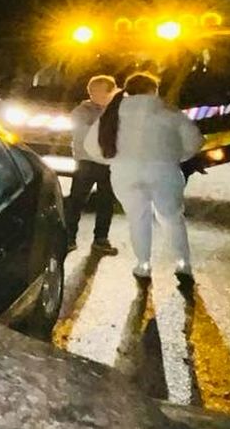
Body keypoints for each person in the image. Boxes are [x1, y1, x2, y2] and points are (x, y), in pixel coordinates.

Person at [86, 71, 203, 287]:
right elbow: (195, 141)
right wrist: (176, 156)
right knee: (171, 217)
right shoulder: (169, 112)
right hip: (163, 171)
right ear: (154, 90)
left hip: (125, 173)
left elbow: (92, 146)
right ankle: (183, 263)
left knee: (138, 219)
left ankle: (143, 265)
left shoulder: (113, 112)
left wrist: (115, 161)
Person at [64, 75, 119, 256]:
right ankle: (68, 237)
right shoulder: (82, 111)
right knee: (76, 201)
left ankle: (101, 239)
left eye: (100, 91)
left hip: (110, 163)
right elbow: (88, 133)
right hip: (87, 162)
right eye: (92, 91)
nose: (94, 94)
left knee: (106, 203)